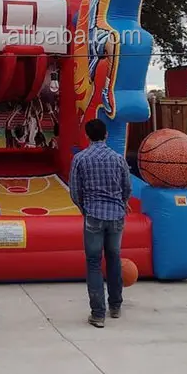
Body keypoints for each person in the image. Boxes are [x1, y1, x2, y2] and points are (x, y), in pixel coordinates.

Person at [69, 118, 131, 328]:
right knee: (114, 258)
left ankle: (98, 314)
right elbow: (127, 187)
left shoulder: (80, 159)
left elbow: (75, 191)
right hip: (116, 216)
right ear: (106, 135)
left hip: (93, 215)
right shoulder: (117, 158)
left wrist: (84, 208)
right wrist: (121, 203)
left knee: (94, 263)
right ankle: (115, 306)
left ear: (87, 136)